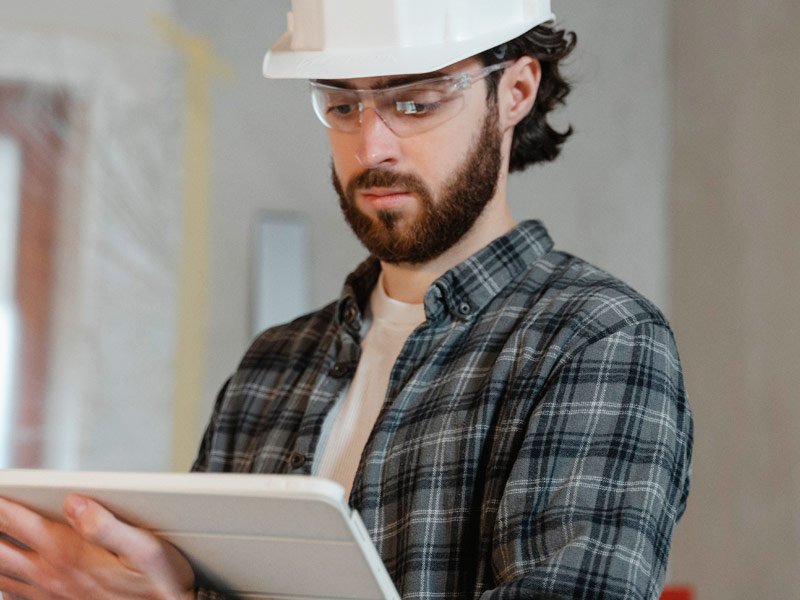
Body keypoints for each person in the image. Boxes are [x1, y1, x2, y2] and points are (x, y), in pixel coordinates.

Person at [0, 1, 693, 598]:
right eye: (341, 104)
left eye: (414, 102)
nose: (371, 144)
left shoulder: (597, 341)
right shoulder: (270, 368)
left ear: (515, 91)